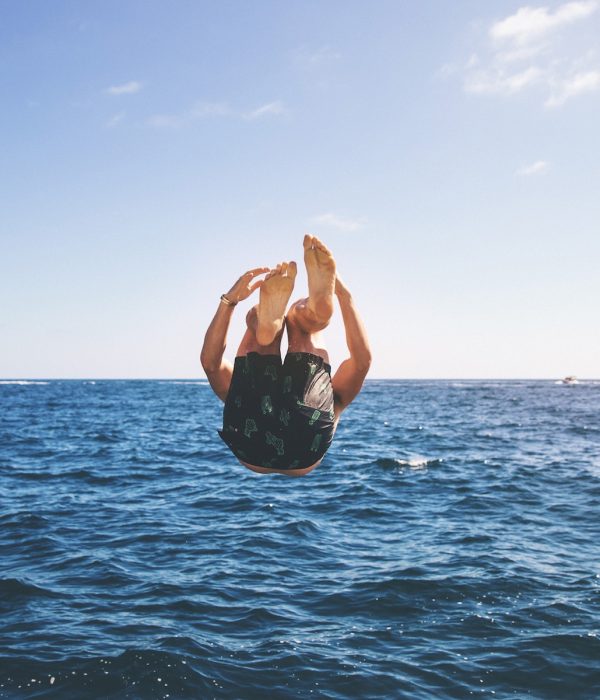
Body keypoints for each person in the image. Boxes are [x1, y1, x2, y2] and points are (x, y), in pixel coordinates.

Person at [200, 235, 371, 476]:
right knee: (299, 328)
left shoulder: (234, 391)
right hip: (304, 443)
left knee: (277, 328)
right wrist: (344, 296)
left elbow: (363, 362)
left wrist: (228, 301)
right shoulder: (231, 390)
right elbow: (210, 364)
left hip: (250, 442)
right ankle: (304, 316)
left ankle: (273, 324)